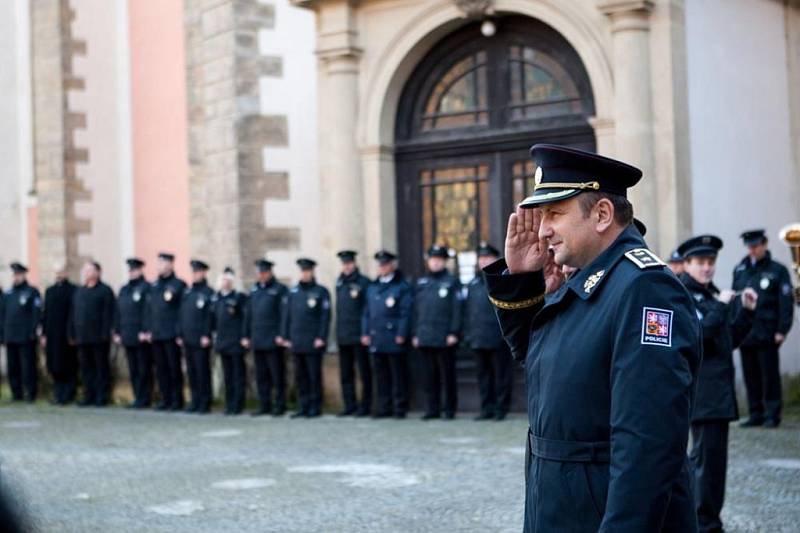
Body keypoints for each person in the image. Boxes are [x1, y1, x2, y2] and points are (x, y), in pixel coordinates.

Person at [485, 144, 701, 532]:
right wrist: (523, 284)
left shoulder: (644, 287)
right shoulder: (581, 279)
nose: (542, 228)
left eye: (555, 213)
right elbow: (546, 372)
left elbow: (647, 445)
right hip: (561, 507)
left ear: (602, 214)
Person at [677, 235, 757, 533]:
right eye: (700, 263)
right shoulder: (684, 293)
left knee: (715, 467)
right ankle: (703, 523)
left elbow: (726, 341)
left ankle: (710, 520)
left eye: (710, 262)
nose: (707, 268)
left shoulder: (710, 296)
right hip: (704, 395)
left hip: (719, 396)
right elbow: (699, 335)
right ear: (686, 264)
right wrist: (722, 307)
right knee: (704, 466)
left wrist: (746, 313)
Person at [733, 229, 794, 428]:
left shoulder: (778, 270)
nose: (752, 250)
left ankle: (772, 414)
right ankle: (755, 413)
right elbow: (736, 299)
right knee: (751, 376)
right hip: (745, 334)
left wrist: (782, 330)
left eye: (755, 246)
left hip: (767, 332)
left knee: (769, 376)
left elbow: (785, 303)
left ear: (764, 244)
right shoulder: (741, 269)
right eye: (749, 246)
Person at [464, 242, 513, 421]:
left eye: (487, 257)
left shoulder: (502, 278)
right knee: (483, 376)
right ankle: (487, 407)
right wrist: (468, 333)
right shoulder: (474, 283)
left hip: (498, 335)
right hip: (478, 336)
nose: (483, 261)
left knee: (501, 374)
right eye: (481, 258)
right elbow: (468, 311)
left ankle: (501, 408)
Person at [412, 245, 462, 420]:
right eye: (432, 260)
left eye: (439, 260)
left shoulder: (452, 282)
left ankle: (449, 409)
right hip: (425, 336)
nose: (435, 263)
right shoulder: (421, 282)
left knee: (447, 376)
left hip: (444, 337)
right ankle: (432, 408)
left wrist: (454, 332)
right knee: (429, 376)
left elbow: (457, 309)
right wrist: (415, 333)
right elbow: (415, 310)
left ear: (444, 262)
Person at [361, 250, 412, 419]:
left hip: (393, 336)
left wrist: (402, 333)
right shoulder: (373, 287)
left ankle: (399, 407)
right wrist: (365, 332)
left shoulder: (401, 286)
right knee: (381, 376)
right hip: (377, 337)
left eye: (385, 265)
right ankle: (384, 407)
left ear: (392, 266)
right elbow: (367, 313)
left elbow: (406, 312)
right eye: (380, 265)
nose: (382, 268)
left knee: (397, 375)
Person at [282, 258, 331, 418]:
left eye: (307, 271)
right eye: (302, 271)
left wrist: (321, 337)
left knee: (313, 376)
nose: (304, 274)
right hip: (297, 340)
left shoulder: (321, 291)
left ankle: (315, 406)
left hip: (313, 341)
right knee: (300, 376)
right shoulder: (293, 292)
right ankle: (303, 406)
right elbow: (287, 316)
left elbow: (325, 317)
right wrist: (286, 336)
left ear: (312, 271)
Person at [243, 259, 289, 416]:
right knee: (261, 375)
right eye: (259, 273)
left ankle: (280, 404)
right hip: (257, 338)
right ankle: (265, 404)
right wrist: (246, 335)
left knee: (277, 375)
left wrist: (282, 335)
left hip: (273, 339)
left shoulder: (280, 289)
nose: (261, 276)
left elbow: (284, 315)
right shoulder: (254, 290)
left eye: (263, 273)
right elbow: (248, 315)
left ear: (269, 272)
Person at [143, 252, 186, 411]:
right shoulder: (154, 286)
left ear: (170, 264)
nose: (159, 267)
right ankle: (165, 398)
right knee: (161, 369)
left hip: (171, 334)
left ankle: (177, 400)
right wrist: (148, 329)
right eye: (158, 264)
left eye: (162, 263)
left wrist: (179, 332)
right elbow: (149, 309)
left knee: (174, 368)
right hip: (157, 333)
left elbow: (182, 311)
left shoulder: (178, 284)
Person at [70, 261, 116, 407]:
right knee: (85, 368)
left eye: (90, 270)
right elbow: (73, 314)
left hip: (99, 337)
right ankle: (88, 395)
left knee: (100, 368)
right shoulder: (79, 291)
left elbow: (109, 314)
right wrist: (72, 333)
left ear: (98, 272)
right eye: (85, 270)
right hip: (82, 337)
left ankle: (102, 396)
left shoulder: (105, 290)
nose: (86, 273)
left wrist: (106, 333)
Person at [334, 250, 372, 417]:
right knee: (346, 374)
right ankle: (349, 405)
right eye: (344, 263)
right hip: (343, 335)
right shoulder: (339, 282)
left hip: (359, 335)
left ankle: (365, 406)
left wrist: (366, 332)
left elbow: (368, 310)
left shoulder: (364, 283)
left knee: (364, 373)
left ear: (354, 263)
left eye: (349, 263)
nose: (347, 266)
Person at [177, 260, 215, 413]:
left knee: (202, 371)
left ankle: (205, 401)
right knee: (191, 371)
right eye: (193, 272)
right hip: (188, 337)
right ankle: (195, 399)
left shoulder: (208, 292)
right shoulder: (187, 292)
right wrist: (180, 333)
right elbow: (181, 314)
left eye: (197, 272)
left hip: (201, 339)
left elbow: (209, 316)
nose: (194, 275)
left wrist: (206, 334)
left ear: (203, 273)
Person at [114, 258, 152, 408]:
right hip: (127, 334)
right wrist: (117, 331)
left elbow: (148, 312)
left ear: (140, 270)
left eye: (134, 270)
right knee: (133, 368)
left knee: (143, 368)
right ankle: (137, 396)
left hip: (140, 335)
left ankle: (145, 397)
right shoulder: (124, 289)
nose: (131, 272)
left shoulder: (146, 287)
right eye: (130, 270)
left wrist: (145, 330)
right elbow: (118, 312)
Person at [212, 267, 248, 415]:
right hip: (223, 342)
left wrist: (244, 337)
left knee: (237, 375)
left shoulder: (239, 298)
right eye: (223, 279)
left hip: (236, 342)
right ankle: (230, 403)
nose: (225, 282)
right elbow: (213, 320)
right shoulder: (217, 299)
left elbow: (245, 319)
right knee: (227, 376)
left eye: (228, 279)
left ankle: (238, 404)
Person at [3, 263, 42, 402]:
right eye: (14, 274)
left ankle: (30, 393)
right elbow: (2, 315)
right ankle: (16, 393)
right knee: (13, 367)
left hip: (26, 336)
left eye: (18, 274)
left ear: (24, 275)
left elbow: (36, 314)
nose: (16, 277)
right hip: (10, 336)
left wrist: (33, 331)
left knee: (28, 367)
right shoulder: (8, 294)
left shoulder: (32, 292)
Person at [41, 264, 78, 405]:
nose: (58, 275)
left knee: (68, 365)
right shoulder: (49, 291)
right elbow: (45, 314)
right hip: (52, 335)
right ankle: (58, 393)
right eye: (56, 272)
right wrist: (44, 333)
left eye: (61, 272)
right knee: (54, 365)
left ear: (66, 273)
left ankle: (69, 394)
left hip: (66, 335)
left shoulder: (73, 290)